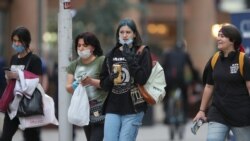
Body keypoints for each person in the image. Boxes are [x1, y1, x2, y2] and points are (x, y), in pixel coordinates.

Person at [193, 24, 250, 141]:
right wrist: (201, 111)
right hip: (218, 113)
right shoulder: (214, 60)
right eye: (218, 35)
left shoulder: (243, 60)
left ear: (232, 40)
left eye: (222, 36)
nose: (218, 38)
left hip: (241, 114)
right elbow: (209, 86)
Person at [99, 18, 152, 141]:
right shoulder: (111, 54)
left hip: (133, 108)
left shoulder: (142, 52)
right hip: (113, 107)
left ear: (134, 34)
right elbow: (103, 84)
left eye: (128, 32)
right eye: (121, 32)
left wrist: (130, 59)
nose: (125, 35)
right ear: (118, 35)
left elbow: (142, 79)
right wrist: (111, 78)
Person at [0, 26, 42, 141]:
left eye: (19, 41)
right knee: (5, 137)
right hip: (13, 105)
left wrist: (20, 76)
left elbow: (38, 81)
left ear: (26, 41)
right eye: (14, 41)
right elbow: (10, 83)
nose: (16, 44)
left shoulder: (34, 59)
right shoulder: (14, 58)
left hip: (28, 105)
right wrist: (9, 77)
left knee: (31, 137)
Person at [65, 32, 107, 141]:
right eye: (79, 45)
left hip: (101, 110)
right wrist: (74, 86)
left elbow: (107, 84)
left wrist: (91, 81)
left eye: (85, 45)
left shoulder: (101, 61)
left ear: (93, 47)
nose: (81, 48)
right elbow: (68, 88)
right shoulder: (74, 65)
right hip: (84, 110)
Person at [161, 40, 198, 140]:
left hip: (169, 80)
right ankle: (184, 115)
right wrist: (196, 78)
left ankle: (166, 114)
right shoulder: (185, 54)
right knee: (185, 97)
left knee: (167, 96)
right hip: (181, 81)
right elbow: (192, 68)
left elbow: (162, 67)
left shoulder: (168, 54)